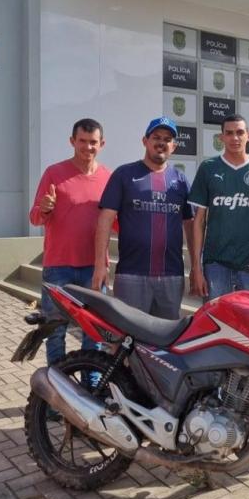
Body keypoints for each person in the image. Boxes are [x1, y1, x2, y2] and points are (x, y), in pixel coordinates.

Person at [92, 117, 194, 319]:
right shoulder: (124, 174)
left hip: (171, 276)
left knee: (165, 343)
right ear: (144, 141)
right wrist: (100, 265)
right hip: (131, 276)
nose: (161, 142)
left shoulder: (181, 181)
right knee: (126, 339)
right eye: (156, 137)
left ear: (173, 146)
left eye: (167, 139)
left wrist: (196, 267)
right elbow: (104, 221)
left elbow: (190, 226)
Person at [29, 118, 111, 365]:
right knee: (55, 332)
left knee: (93, 333)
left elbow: (116, 222)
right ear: (72, 141)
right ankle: (56, 389)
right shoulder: (54, 173)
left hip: (94, 269)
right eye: (82, 141)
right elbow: (34, 217)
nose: (88, 147)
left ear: (102, 144)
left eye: (93, 142)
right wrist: (44, 208)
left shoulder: (108, 177)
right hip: (58, 268)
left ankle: (91, 385)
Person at [190, 113, 249, 301]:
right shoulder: (208, 168)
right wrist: (196, 268)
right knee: (216, 325)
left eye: (240, 132)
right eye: (229, 133)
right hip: (215, 264)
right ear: (221, 137)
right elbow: (199, 221)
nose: (235, 138)